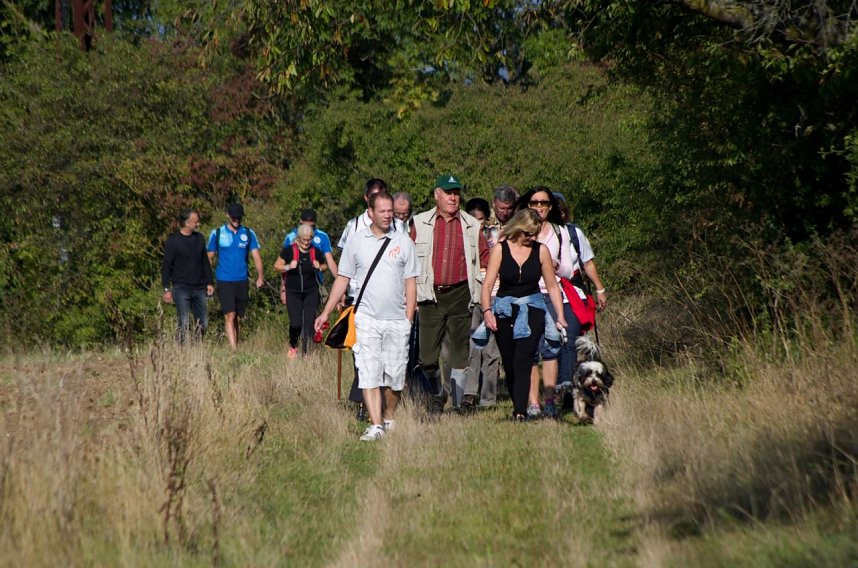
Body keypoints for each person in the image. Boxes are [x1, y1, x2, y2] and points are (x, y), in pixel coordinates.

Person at [315, 191, 419, 441]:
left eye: (390, 211)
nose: (387, 215)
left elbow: (411, 283)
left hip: (397, 320)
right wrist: (326, 311)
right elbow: (343, 278)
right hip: (366, 318)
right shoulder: (356, 241)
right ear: (370, 212)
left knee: (395, 378)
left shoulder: (403, 241)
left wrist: (408, 320)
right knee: (369, 372)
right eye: (382, 211)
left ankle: (389, 416)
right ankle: (376, 425)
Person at [477, 208, 567, 421]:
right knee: (509, 362)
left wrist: (560, 316)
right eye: (528, 233)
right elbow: (488, 284)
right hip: (504, 309)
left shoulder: (541, 251)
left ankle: (519, 411)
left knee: (523, 359)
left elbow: (553, 287)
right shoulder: (500, 249)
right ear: (518, 228)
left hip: (532, 308)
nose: (531, 238)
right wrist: (487, 311)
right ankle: (519, 402)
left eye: (535, 234)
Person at [411, 174, 489, 413]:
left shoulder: (471, 224)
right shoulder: (419, 222)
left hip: (461, 293)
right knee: (426, 358)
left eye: (456, 192)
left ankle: (456, 404)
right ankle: (437, 392)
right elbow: (407, 260)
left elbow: (486, 258)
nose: (453, 197)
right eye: (448, 192)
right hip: (428, 295)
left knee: (459, 354)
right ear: (437, 194)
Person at [338, 179, 408, 418]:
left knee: (390, 363)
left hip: (392, 303)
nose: (386, 213)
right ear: (367, 201)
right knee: (365, 357)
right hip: (359, 300)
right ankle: (365, 406)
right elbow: (343, 266)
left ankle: (383, 410)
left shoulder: (399, 228)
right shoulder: (354, 226)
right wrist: (339, 298)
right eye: (376, 197)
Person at [515, 188, 574, 418]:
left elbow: (569, 269)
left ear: (551, 206)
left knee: (550, 349)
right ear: (527, 204)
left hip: (551, 293)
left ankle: (549, 400)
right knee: (529, 352)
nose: (539, 206)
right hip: (526, 296)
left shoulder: (560, 232)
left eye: (544, 202)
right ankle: (533, 402)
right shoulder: (520, 231)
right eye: (535, 202)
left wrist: (554, 264)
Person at [466, 185, 519, 407]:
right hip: (477, 292)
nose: (504, 212)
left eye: (508, 208)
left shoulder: (519, 229)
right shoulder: (482, 230)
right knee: (472, 346)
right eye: (500, 208)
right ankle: (469, 394)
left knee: (493, 351)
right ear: (493, 205)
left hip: (503, 293)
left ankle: (488, 398)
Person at [553, 192, 608, 374]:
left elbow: (588, 262)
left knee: (571, 338)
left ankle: (569, 382)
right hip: (549, 291)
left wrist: (600, 289)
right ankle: (560, 381)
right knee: (554, 340)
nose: (558, 215)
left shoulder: (574, 234)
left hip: (575, 291)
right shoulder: (537, 234)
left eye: (561, 211)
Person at [207, 202, 264, 350]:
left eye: (239, 217)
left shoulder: (249, 234)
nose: (236, 220)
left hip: (242, 280)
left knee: (238, 317)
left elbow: (256, 256)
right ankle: (234, 349)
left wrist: (260, 276)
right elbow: (209, 258)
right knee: (229, 315)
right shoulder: (217, 233)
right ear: (227, 216)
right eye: (234, 217)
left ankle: (236, 345)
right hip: (224, 280)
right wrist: (208, 281)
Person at [274, 223, 327, 358]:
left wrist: (319, 266)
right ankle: (293, 346)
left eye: (309, 239)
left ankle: (306, 354)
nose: (306, 242)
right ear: (298, 238)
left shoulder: (315, 251)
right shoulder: (289, 250)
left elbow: (325, 265)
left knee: (309, 324)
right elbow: (276, 266)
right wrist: (288, 266)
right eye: (304, 239)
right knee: (296, 323)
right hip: (293, 291)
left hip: (311, 291)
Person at [162, 208, 214, 343]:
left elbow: (205, 262)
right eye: (196, 222)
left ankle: (197, 349)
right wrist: (166, 289)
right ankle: (182, 350)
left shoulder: (200, 239)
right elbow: (167, 265)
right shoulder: (173, 240)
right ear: (187, 222)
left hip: (199, 288)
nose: (198, 224)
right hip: (181, 288)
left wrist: (209, 282)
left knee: (203, 323)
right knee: (183, 323)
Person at [282, 208, 338, 279]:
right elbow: (284, 264)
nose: (308, 229)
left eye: (311, 226)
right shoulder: (290, 237)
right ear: (301, 221)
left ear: (315, 223)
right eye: (305, 226)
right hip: (294, 282)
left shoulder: (322, 236)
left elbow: (330, 261)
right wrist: (283, 286)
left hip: (315, 282)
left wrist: (339, 280)